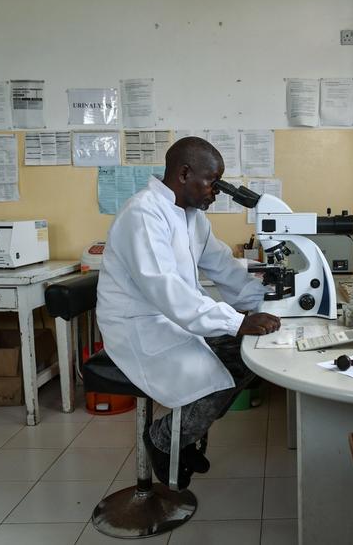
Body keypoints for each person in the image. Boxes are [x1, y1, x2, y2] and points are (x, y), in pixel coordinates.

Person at [96, 136, 281, 488]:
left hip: (175, 318)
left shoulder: (192, 217)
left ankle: (186, 432)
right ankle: (163, 439)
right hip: (138, 327)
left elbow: (224, 267)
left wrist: (267, 299)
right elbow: (167, 291)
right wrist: (237, 321)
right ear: (183, 174)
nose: (216, 192)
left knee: (246, 356)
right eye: (212, 182)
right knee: (217, 373)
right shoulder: (144, 213)